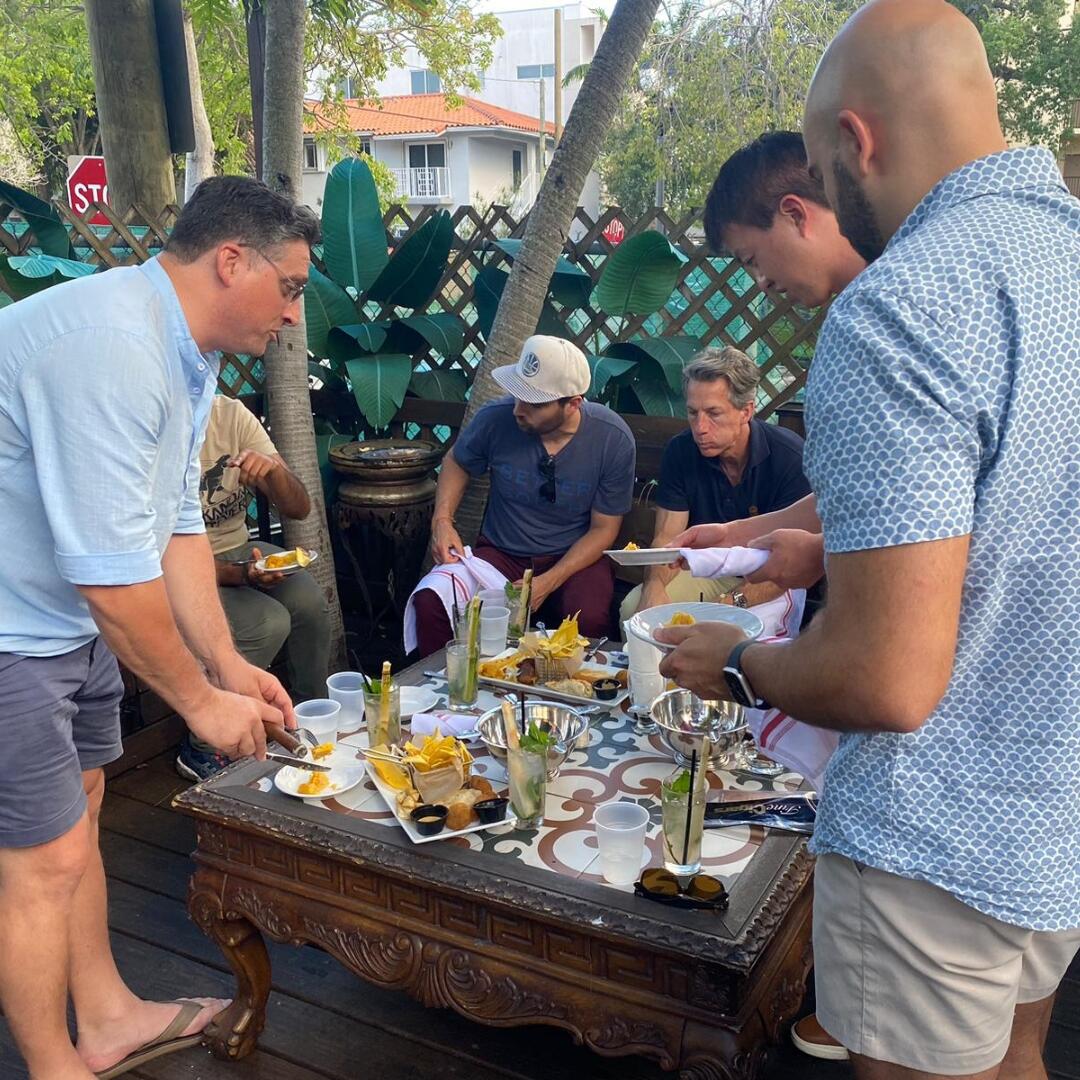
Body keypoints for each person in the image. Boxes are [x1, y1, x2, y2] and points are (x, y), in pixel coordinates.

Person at [658, 2, 1080, 1078]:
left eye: (825, 169)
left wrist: (737, 663)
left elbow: (888, 678)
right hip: (1055, 817)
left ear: (856, 141)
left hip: (936, 836)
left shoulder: (900, 307)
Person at [0, 175, 317, 1078]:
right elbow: (111, 573)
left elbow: (175, 521)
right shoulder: (111, 347)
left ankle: (103, 1016)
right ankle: (52, 1067)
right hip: (11, 632)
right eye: (289, 287)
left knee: (87, 809)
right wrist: (198, 707)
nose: (293, 315)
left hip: (64, 618)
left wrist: (222, 667)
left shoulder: (186, 354)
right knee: (40, 860)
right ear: (231, 261)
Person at [412, 335, 635, 656]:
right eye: (517, 394)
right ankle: (443, 695)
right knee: (431, 600)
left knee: (588, 617)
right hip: (501, 554)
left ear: (573, 403)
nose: (518, 409)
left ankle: (565, 700)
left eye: (534, 402)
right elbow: (457, 462)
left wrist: (548, 582)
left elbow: (604, 529)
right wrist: (443, 520)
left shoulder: (611, 438)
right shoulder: (495, 418)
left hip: (572, 558)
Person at [175, 394, 331, 780]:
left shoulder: (229, 414)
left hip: (239, 550)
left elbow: (299, 507)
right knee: (267, 620)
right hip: (178, 567)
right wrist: (243, 575)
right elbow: (163, 554)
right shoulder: (157, 425)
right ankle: (203, 745)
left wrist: (273, 474)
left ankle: (304, 719)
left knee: (308, 600)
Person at [621, 346, 810, 624]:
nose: (700, 427)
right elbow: (666, 538)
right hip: (704, 570)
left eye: (713, 413)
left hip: (774, 578)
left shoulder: (789, 457)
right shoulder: (682, 450)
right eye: (693, 412)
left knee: (727, 630)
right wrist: (654, 588)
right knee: (635, 610)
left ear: (746, 411)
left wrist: (724, 606)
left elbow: (791, 565)